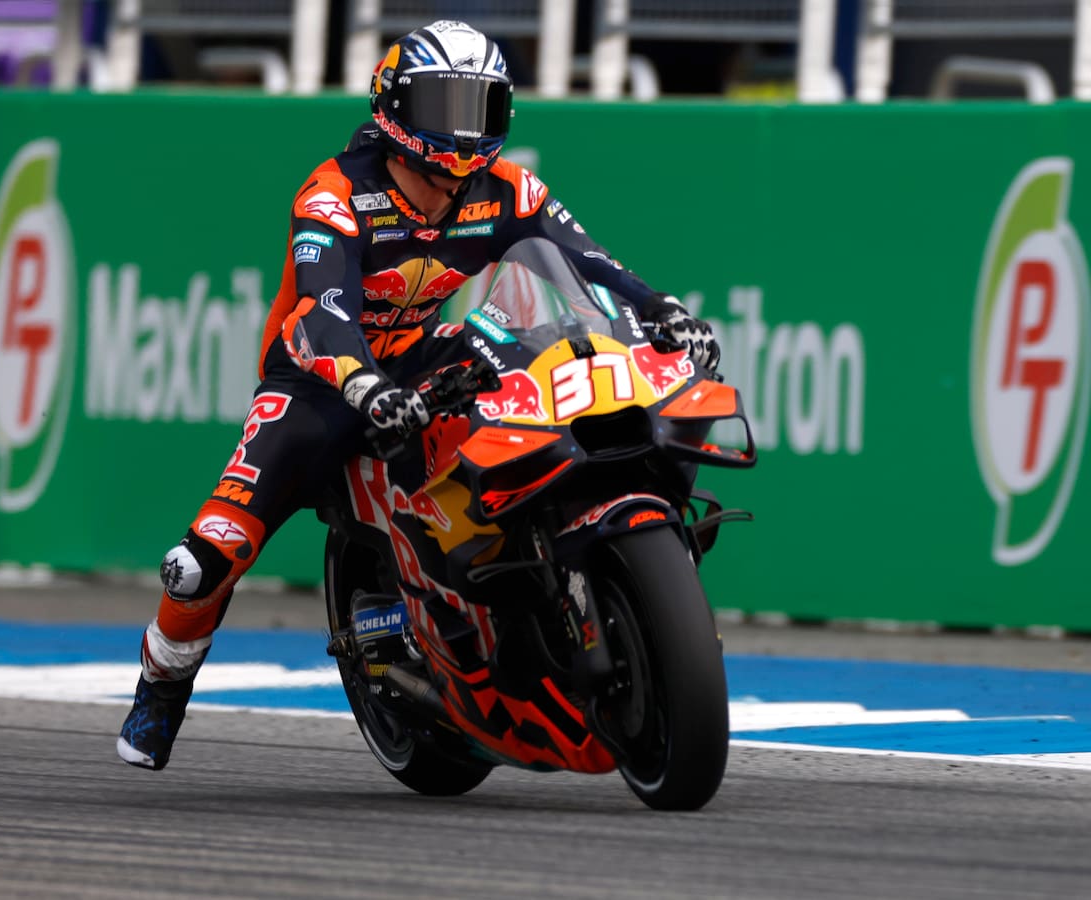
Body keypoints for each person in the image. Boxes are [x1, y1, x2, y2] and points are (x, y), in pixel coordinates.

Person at [116, 19, 721, 771]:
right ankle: (161, 690)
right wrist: (364, 385)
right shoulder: (335, 195)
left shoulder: (510, 189)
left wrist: (665, 312)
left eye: (482, 109)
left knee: (552, 383)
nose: (465, 134)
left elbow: (595, 266)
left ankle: (543, 576)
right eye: (446, 108)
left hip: (427, 359)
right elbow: (320, 311)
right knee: (207, 556)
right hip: (322, 380)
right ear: (394, 108)